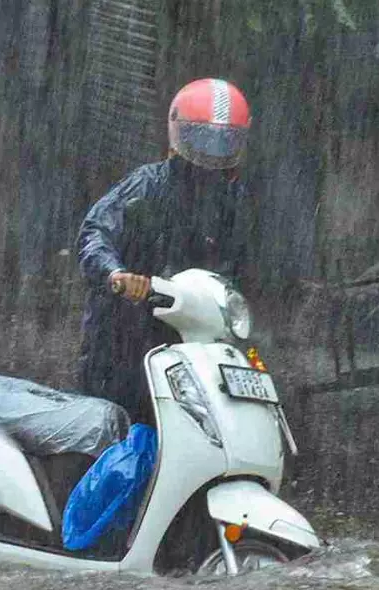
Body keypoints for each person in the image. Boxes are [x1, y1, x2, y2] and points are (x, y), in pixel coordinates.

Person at [77, 78, 253, 422]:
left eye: (224, 140)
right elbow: (95, 232)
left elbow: (238, 264)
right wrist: (117, 274)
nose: (213, 150)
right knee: (115, 431)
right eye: (204, 138)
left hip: (195, 334)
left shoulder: (233, 199)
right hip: (127, 334)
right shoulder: (148, 184)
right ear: (180, 135)